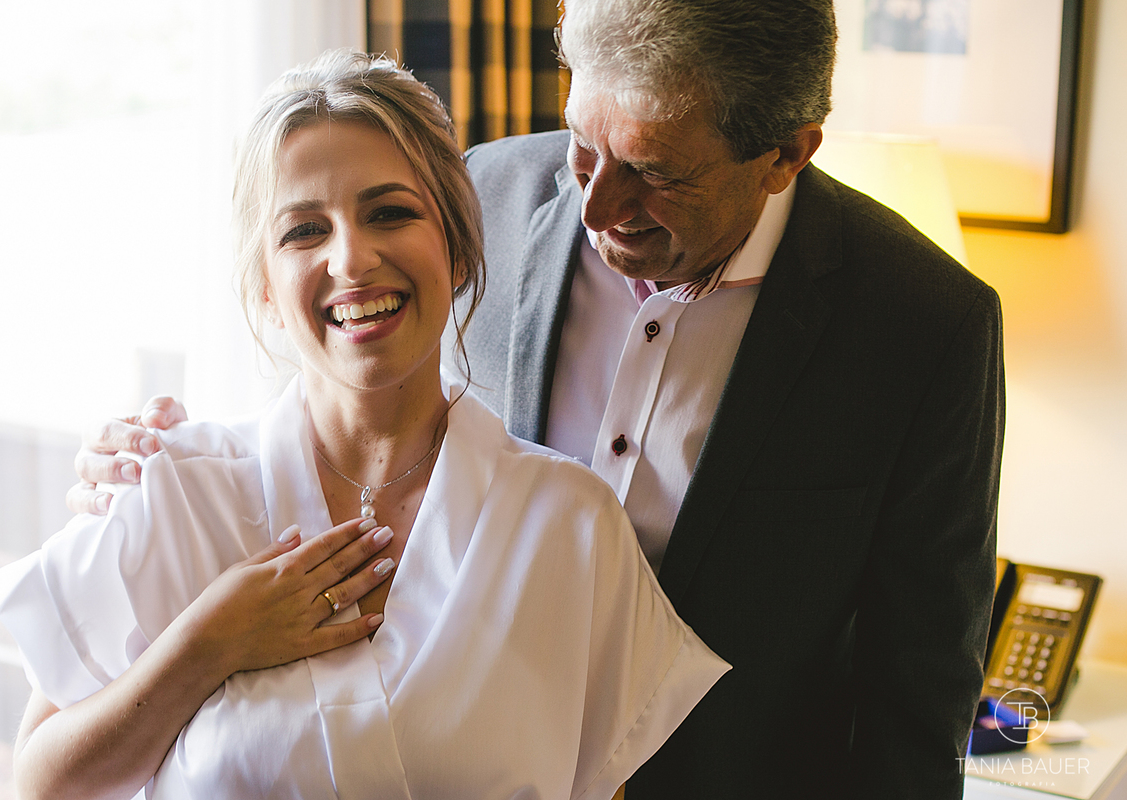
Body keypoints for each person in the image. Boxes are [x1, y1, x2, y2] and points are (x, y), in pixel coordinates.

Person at [68, 1, 1005, 797]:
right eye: (585, 144)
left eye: (655, 173)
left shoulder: (924, 326)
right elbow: (353, 378)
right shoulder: (490, 191)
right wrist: (150, 468)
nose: (596, 210)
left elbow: (919, 691)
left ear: (784, 155)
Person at [0, 49, 727, 800]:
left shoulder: (569, 524)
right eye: (304, 231)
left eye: (390, 213)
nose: (353, 259)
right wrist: (208, 642)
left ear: (458, 247)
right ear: (267, 290)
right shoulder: (175, 492)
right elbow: (43, 784)